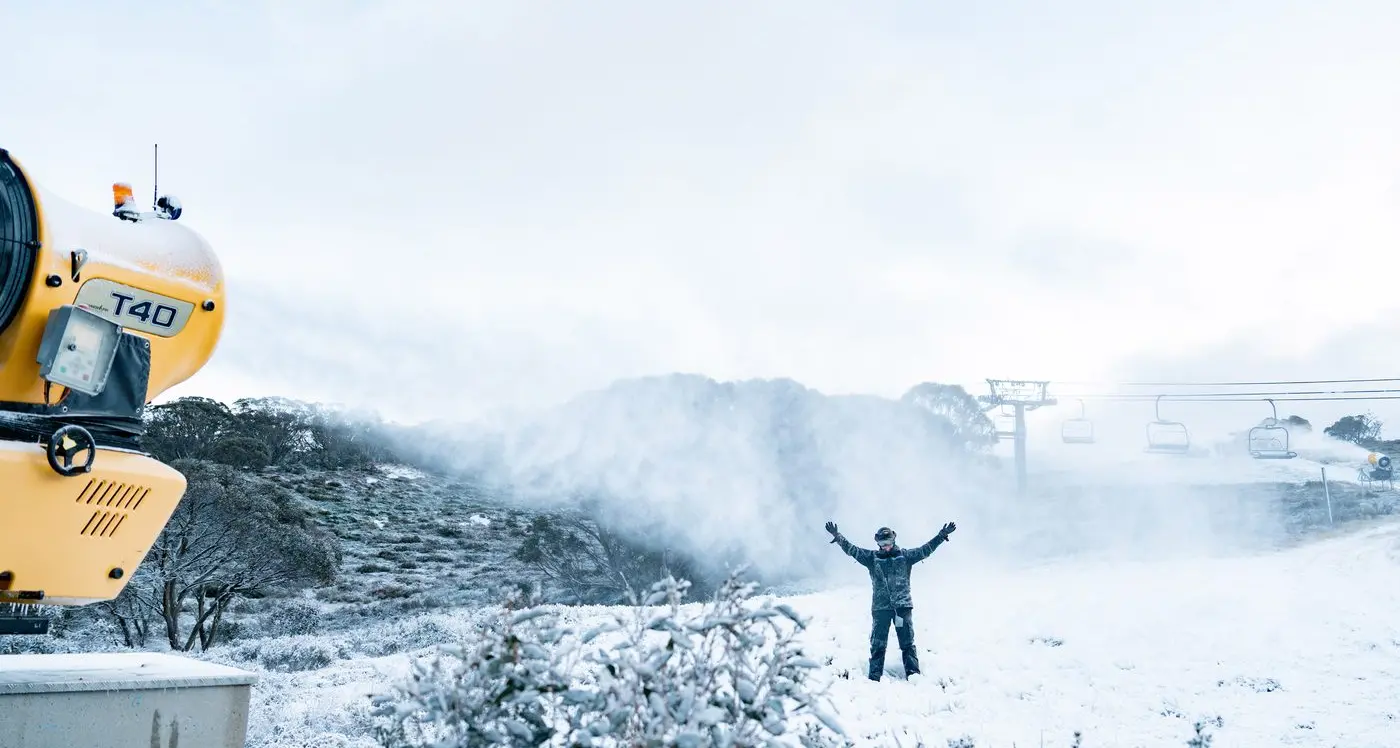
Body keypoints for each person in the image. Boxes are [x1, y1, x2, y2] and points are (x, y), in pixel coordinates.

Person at [825, 520, 957, 681]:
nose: (885, 546)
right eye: (882, 543)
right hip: (881, 610)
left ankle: (914, 675)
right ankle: (874, 678)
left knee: (907, 643)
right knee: (878, 645)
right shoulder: (872, 558)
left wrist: (941, 536)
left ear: (893, 540)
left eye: (888, 542)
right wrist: (838, 537)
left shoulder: (905, 556)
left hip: (902, 608)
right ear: (877, 543)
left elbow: (925, 550)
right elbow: (853, 550)